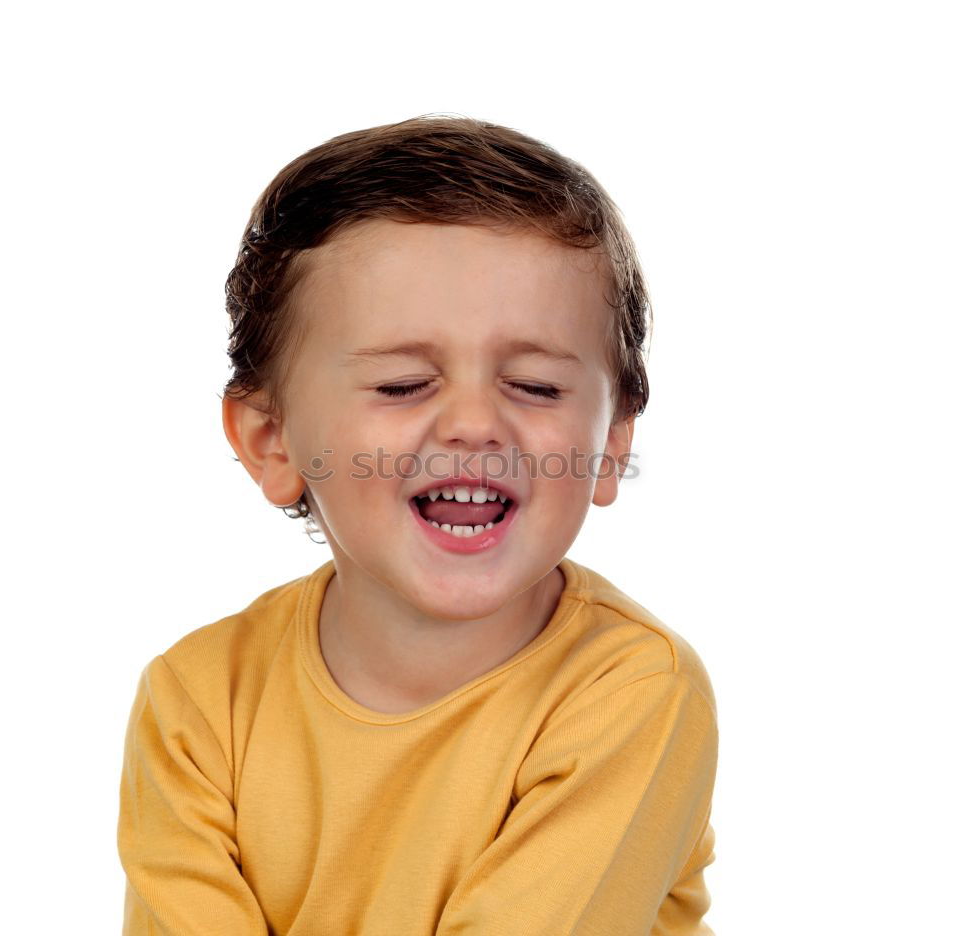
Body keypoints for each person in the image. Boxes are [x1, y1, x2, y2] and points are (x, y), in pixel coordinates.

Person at [116, 114, 719, 935]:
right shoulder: (197, 700)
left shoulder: (634, 694)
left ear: (610, 445)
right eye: (402, 384)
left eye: (537, 387)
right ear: (271, 440)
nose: (475, 423)